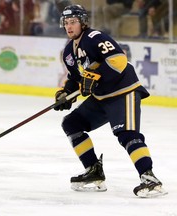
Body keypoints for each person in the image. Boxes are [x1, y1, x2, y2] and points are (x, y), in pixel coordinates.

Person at [54, 4, 167, 198]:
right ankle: (93, 171)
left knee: (127, 134)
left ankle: (150, 178)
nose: (69, 26)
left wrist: (96, 75)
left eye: (73, 22)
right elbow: (75, 79)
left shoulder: (95, 38)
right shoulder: (68, 53)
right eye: (66, 23)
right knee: (71, 123)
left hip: (124, 92)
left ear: (82, 22)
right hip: (101, 98)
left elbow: (118, 60)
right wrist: (65, 94)